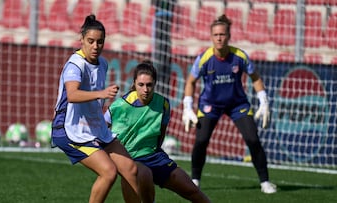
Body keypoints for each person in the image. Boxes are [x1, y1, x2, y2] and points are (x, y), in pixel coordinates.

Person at [51, 14, 141, 203]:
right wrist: (101, 93)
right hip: (69, 128)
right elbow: (73, 95)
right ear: (81, 39)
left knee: (131, 170)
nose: (95, 46)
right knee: (109, 172)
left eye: (100, 42)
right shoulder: (75, 65)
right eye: (90, 41)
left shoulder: (103, 63)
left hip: (95, 127)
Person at [182, 14, 277, 194]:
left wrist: (264, 101)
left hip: (237, 104)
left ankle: (265, 182)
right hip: (210, 105)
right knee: (201, 141)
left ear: (229, 36)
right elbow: (190, 82)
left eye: (223, 34)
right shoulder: (204, 58)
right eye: (216, 35)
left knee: (253, 139)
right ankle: (195, 180)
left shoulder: (239, 56)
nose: (219, 38)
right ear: (211, 37)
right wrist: (187, 106)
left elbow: (255, 78)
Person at [104, 61, 211, 203]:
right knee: (145, 173)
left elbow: (161, 134)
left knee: (191, 189)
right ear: (134, 83)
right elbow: (101, 131)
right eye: (141, 85)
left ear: (155, 84)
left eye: (149, 85)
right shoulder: (119, 106)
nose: (145, 89)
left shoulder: (163, 104)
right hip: (129, 158)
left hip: (154, 156)